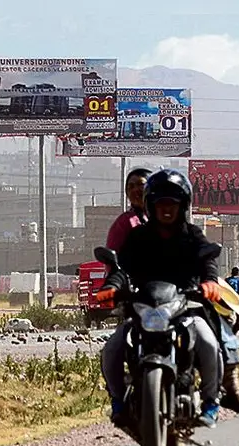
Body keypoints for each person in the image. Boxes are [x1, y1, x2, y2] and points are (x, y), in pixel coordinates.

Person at [95, 169, 225, 429]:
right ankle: (118, 401)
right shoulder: (138, 237)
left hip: (185, 307)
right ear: (151, 205)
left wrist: (210, 282)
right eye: (160, 202)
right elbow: (122, 269)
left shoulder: (193, 235)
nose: (166, 208)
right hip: (144, 307)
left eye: (172, 203)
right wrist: (111, 287)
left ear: (182, 206)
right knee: (111, 348)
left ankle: (211, 401)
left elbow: (207, 262)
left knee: (209, 343)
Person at [106, 168, 152, 254]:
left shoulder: (164, 218)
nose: (135, 190)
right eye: (131, 187)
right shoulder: (125, 222)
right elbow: (112, 255)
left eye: (140, 184)